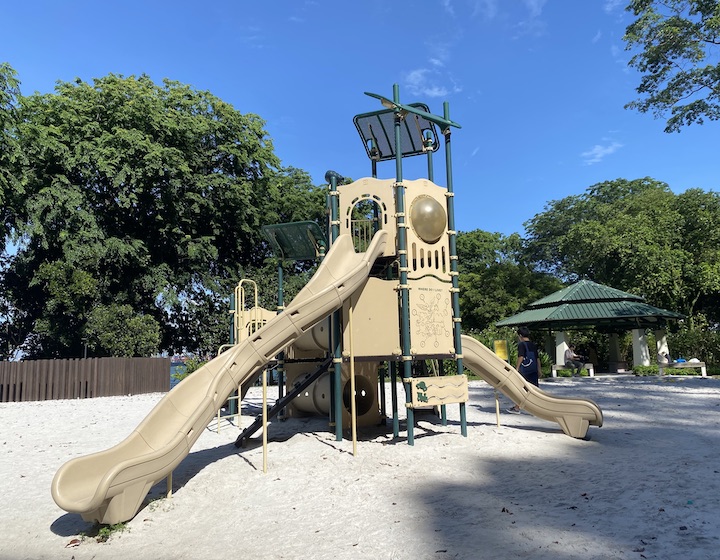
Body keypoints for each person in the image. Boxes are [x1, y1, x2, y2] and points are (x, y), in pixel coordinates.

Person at [508, 326, 542, 414]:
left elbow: (521, 357)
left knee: (521, 389)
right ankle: (537, 408)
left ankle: (517, 407)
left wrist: (517, 368)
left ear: (520, 335)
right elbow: (537, 358)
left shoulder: (521, 345)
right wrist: (539, 369)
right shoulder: (533, 345)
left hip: (525, 370)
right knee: (534, 389)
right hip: (533, 369)